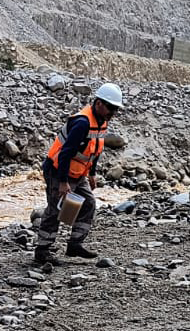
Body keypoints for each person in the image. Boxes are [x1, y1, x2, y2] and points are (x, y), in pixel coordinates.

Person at [34, 82, 124, 268]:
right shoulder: (82, 123)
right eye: (111, 108)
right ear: (99, 103)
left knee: (88, 203)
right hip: (58, 170)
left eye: (116, 109)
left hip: (78, 173)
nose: (113, 112)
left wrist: (92, 173)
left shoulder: (101, 121)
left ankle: (74, 245)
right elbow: (65, 154)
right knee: (55, 209)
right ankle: (42, 250)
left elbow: (95, 150)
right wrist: (63, 182)